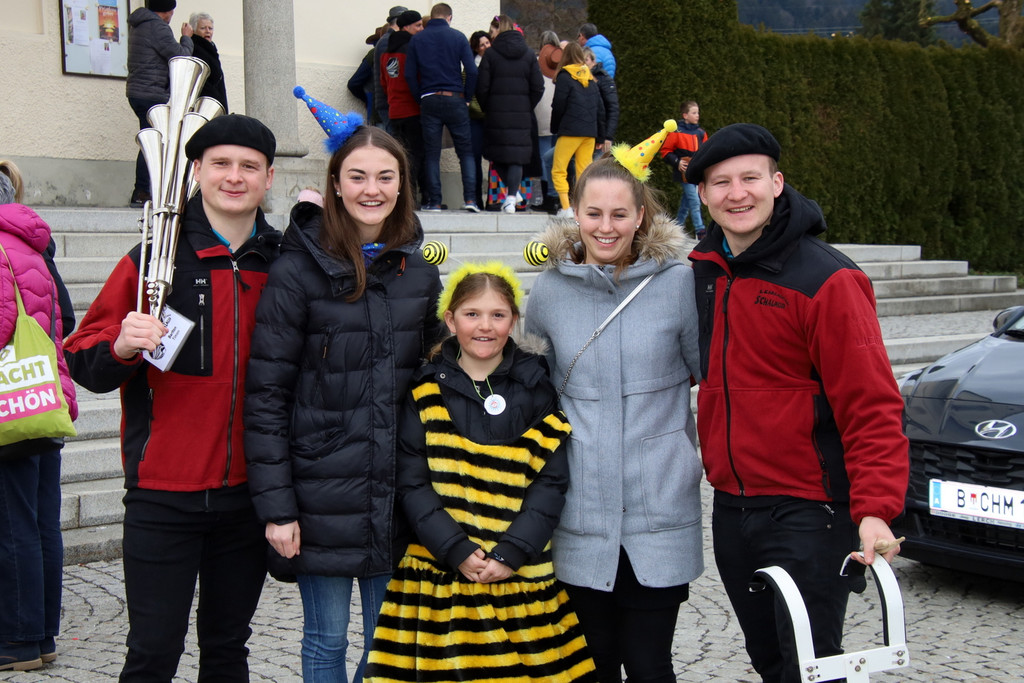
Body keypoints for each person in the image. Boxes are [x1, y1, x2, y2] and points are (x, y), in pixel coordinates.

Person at [685, 123, 910, 683]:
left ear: (777, 183)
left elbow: (871, 403)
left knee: (812, 667)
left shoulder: (828, 279)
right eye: (721, 183)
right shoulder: (705, 273)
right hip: (733, 507)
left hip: (810, 510)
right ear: (704, 195)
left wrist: (876, 507)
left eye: (750, 178)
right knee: (769, 661)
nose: (737, 193)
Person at [65, 114, 281, 682]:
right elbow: (82, 358)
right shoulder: (151, 260)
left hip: (250, 494)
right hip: (163, 494)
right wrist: (121, 345)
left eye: (249, 167)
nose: (234, 177)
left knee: (228, 648)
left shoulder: (286, 264)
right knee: (153, 652)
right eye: (221, 164)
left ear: (269, 178)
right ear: (197, 172)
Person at [247, 92, 446, 683]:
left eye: (385, 177)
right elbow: (267, 396)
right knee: (325, 641)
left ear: (402, 185)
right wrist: (278, 508)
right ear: (335, 184)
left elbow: (437, 372)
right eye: (357, 176)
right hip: (320, 491)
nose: (371, 189)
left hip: (397, 489)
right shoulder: (296, 270)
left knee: (389, 645)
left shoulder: (419, 271)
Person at [524, 124, 704, 683]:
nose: (606, 227)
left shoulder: (678, 284)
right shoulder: (549, 290)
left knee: (650, 666)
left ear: (640, 216)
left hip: (658, 507)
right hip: (580, 508)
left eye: (620, 214)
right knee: (592, 666)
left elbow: (712, 377)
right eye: (594, 213)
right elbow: (533, 391)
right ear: (575, 214)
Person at [363, 263, 598, 682]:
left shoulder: (535, 386)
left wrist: (513, 551)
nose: (485, 326)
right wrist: (454, 548)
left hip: (518, 575)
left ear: (514, 320)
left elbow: (550, 481)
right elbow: (412, 481)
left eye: (497, 314)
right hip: (441, 574)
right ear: (451, 320)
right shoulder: (425, 388)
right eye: (472, 314)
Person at [0, 168, 78, 673]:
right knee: (41, 522)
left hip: (8, 408)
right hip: (43, 398)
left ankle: (17, 640)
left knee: (11, 526)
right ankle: (43, 634)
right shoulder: (30, 244)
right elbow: (65, 316)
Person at [405, 3, 480, 212]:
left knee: (432, 153)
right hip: (455, 98)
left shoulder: (417, 39)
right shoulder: (458, 37)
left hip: (429, 98)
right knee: (465, 152)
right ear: (449, 17)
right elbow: (472, 71)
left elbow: (409, 74)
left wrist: (420, 97)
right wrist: (467, 97)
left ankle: (435, 201)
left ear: (432, 17)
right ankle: (471, 200)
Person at [126, 0, 194, 208]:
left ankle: (145, 190)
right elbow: (181, 56)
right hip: (152, 93)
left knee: (150, 138)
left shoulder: (139, 25)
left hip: (137, 92)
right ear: (168, 11)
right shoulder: (157, 27)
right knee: (152, 142)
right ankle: (142, 191)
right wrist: (186, 37)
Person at [477, 15, 543, 214]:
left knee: (496, 155)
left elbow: (482, 87)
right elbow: (538, 86)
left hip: (496, 113)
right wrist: (526, 105)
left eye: (492, 31)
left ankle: (512, 196)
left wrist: (489, 107)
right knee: (516, 157)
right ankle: (513, 196)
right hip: (521, 114)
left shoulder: (490, 55)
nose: (491, 35)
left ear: (499, 30)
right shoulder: (528, 54)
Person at [550, 42, 603, 219]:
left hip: (570, 130)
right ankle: (582, 208)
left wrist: (555, 127)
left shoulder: (564, 76)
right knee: (583, 173)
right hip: (590, 132)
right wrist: (600, 136)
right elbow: (600, 109)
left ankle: (566, 208)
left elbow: (558, 105)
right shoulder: (590, 78)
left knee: (559, 169)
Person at [381, 10, 428, 207]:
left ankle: (405, 199)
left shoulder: (386, 52)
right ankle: (414, 199)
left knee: (401, 157)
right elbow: (416, 78)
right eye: (418, 25)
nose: (421, 29)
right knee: (416, 155)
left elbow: (384, 82)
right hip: (412, 110)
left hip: (395, 111)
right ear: (406, 27)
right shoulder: (412, 49)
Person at [659, 101, 707, 238]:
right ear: (685, 115)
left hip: (696, 171)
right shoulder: (676, 132)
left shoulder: (701, 133)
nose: (697, 115)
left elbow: (706, 151)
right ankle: (700, 230)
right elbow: (666, 151)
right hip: (684, 172)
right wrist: (677, 162)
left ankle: (677, 227)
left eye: (698, 112)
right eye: (694, 113)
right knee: (694, 200)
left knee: (686, 202)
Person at [535, 34, 562, 214]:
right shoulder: (563, 63)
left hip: (542, 113)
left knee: (545, 158)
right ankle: (558, 196)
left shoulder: (538, 63)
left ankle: (548, 197)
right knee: (558, 158)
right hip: (559, 114)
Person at [372, 6, 408, 132]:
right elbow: (391, 73)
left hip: (390, 102)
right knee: (394, 140)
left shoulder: (388, 40)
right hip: (388, 103)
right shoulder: (388, 41)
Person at [468, 30, 491, 209]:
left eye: (487, 43)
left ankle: (494, 198)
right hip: (476, 117)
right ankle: (476, 198)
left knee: (495, 159)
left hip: (493, 117)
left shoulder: (496, 63)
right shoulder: (471, 67)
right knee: (474, 158)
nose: (485, 47)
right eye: (481, 45)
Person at [582, 47, 618, 156]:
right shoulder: (581, 78)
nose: (584, 63)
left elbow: (612, 108)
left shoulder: (603, 79)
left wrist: (608, 136)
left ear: (593, 61)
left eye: (586, 60)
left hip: (600, 135)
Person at [188, 12, 227, 110]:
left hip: (214, 102)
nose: (207, 31)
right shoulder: (195, 49)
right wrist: (217, 99)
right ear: (194, 30)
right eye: (203, 28)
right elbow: (201, 82)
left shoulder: (211, 49)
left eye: (210, 28)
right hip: (206, 105)